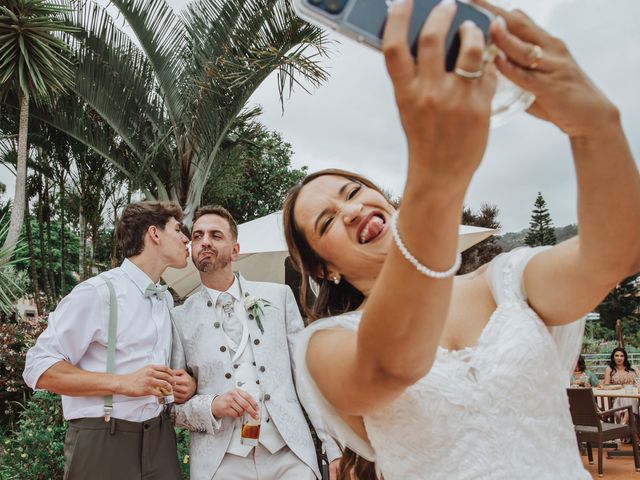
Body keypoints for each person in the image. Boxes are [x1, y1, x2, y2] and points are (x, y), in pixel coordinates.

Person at [281, 0, 640, 479]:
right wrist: (437, 176)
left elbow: (613, 253)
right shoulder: (323, 346)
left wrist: (595, 124)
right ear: (325, 269)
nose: (349, 210)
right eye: (326, 223)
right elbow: (392, 366)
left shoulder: (505, 282)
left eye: (352, 192)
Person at [23, 201, 195, 480]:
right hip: (104, 437)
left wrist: (185, 383)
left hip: (160, 438)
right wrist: (123, 383)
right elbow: (38, 367)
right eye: (178, 229)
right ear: (154, 234)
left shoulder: (164, 297)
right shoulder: (98, 293)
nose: (186, 238)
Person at [170, 205, 341, 480]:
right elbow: (172, 407)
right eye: (198, 236)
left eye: (215, 235)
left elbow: (306, 380)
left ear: (235, 250)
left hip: (288, 454)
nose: (204, 242)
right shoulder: (178, 318)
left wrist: (333, 449)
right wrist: (211, 405)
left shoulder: (278, 298)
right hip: (221, 462)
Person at [604, 347, 639, 426]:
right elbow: (606, 385)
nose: (619, 358)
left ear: (625, 357)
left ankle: (623, 424)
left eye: (621, 356)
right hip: (618, 396)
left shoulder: (633, 368)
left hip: (633, 395)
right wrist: (621, 386)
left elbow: (639, 381)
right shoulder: (609, 369)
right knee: (625, 398)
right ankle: (628, 429)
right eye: (616, 355)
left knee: (629, 398)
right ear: (613, 357)